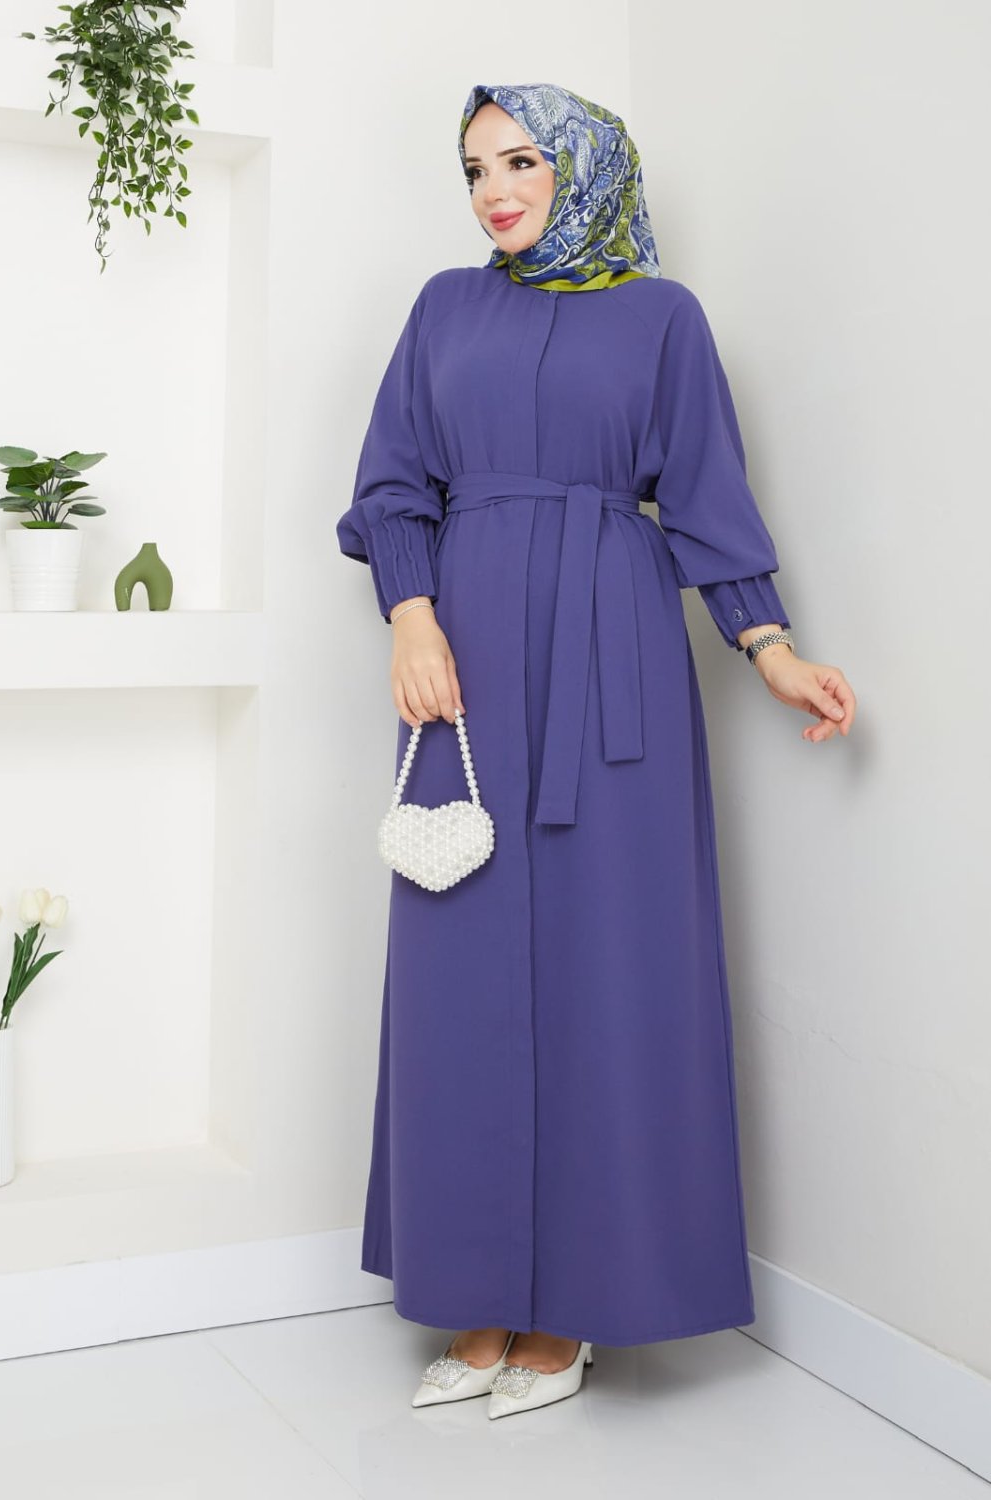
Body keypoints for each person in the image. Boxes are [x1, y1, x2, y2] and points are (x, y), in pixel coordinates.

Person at [335, 81, 856, 1419]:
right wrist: (410, 615)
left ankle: (576, 1311)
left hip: (615, 663)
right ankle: (480, 1295)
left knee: (611, 971)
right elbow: (392, 480)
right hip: (464, 664)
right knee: (460, 970)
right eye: (474, 170)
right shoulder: (444, 310)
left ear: (583, 169)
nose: (495, 191)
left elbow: (708, 496)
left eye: (521, 161)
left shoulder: (664, 318)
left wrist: (770, 646)